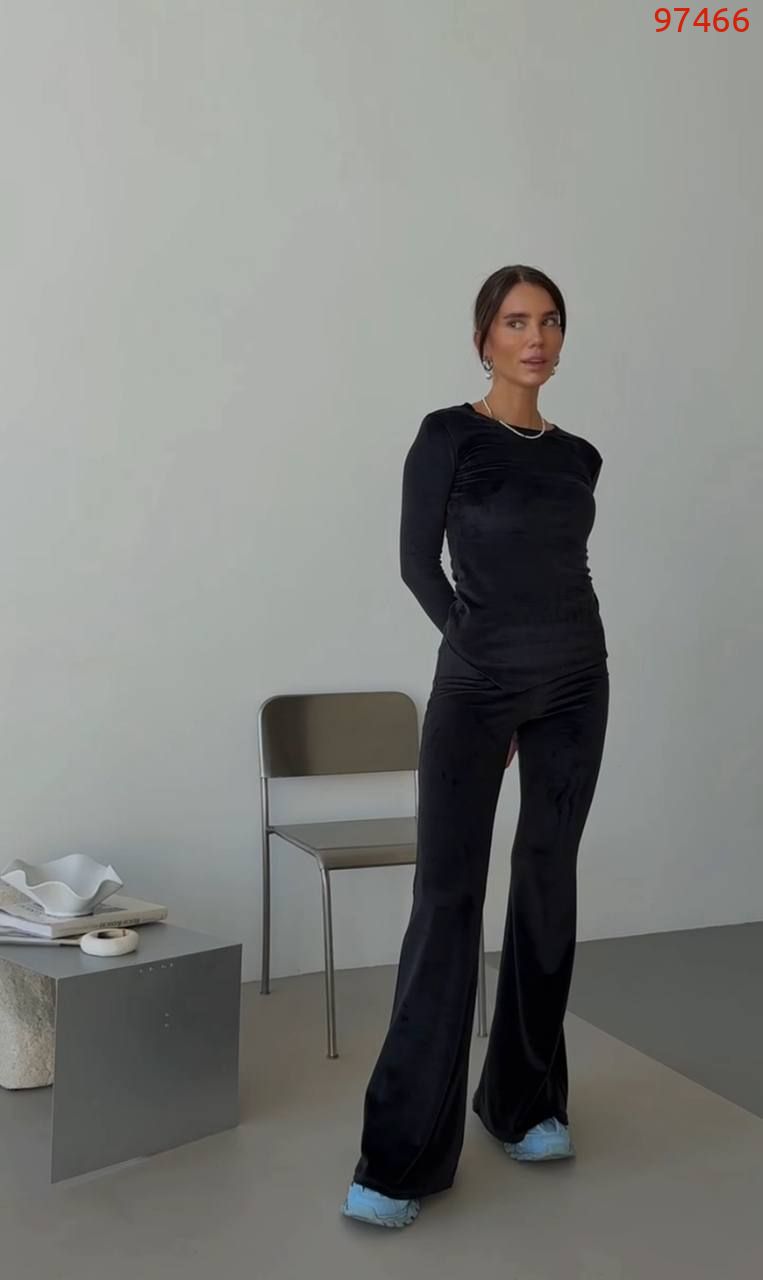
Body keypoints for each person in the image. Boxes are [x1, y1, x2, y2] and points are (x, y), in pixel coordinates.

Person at [342, 265, 610, 1228]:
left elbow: (563, 569)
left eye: (550, 321)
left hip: (575, 680)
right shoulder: (446, 436)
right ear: (483, 339)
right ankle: (398, 1158)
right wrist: (480, 663)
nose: (535, 338)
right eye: (515, 321)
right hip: (475, 684)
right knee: (447, 901)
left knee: (546, 885)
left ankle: (524, 1103)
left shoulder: (579, 457)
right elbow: (417, 565)